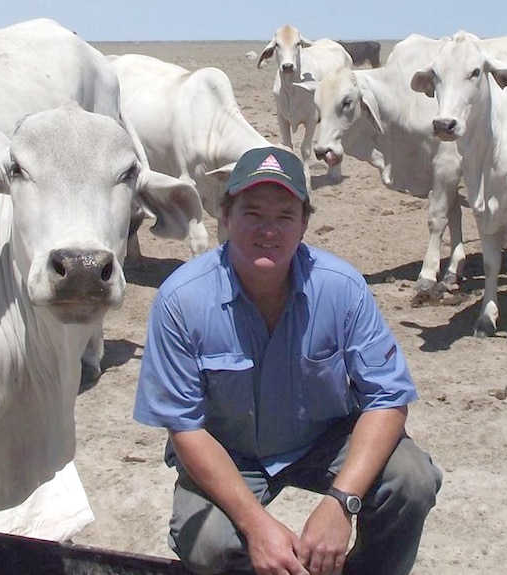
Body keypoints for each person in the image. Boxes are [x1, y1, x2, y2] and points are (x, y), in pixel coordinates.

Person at [133, 146, 442, 575]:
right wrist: (257, 527)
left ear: (304, 225)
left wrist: (341, 501)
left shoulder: (341, 288)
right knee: (207, 542)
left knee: (411, 479)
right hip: (231, 451)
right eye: (253, 213)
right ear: (224, 216)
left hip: (324, 440)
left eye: (284, 216)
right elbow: (185, 427)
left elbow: (387, 398)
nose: (268, 230)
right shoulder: (181, 301)